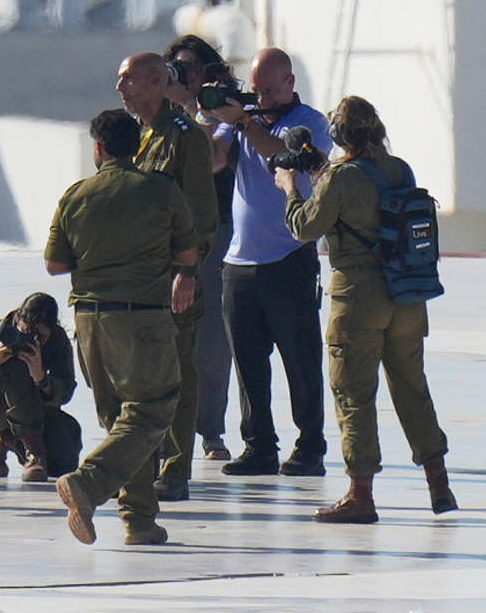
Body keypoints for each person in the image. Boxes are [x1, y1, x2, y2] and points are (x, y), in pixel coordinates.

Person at [280, 94, 453, 524]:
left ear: (340, 135)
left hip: (359, 296)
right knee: (413, 387)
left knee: (354, 393)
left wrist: (290, 189)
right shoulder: (400, 169)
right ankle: (439, 483)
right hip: (407, 295)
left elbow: (306, 227)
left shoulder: (339, 176)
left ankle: (361, 493)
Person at [47, 108, 198, 548]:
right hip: (142, 318)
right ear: (138, 146)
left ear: (98, 148)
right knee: (153, 409)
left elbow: (55, 263)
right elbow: (187, 254)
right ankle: (89, 484)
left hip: (90, 321)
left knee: (122, 421)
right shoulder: (160, 190)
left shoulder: (77, 194)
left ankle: (139, 520)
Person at [205, 46, 332, 477]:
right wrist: (201, 114)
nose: (262, 98)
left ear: (290, 84)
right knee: (249, 363)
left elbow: (284, 158)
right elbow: (213, 159)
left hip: (288, 256)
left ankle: (310, 445)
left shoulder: (309, 122)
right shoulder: (243, 122)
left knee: (300, 359)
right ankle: (259, 445)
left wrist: (243, 119)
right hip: (240, 261)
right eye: (255, 90)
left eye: (270, 90)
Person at [120, 49, 217, 502]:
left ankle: (177, 466)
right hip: (140, 277)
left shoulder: (185, 138)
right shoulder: (138, 135)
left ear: (157, 82)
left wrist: (188, 272)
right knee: (144, 374)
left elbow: (200, 213)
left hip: (173, 277)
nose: (121, 89)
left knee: (178, 371)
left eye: (130, 80)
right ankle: (149, 457)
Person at [166, 38, 238, 462]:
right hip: (167, 231)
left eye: (187, 68)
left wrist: (192, 109)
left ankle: (210, 429)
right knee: (165, 336)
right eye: (173, 67)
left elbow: (212, 158)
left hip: (213, 230)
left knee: (211, 338)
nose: (180, 74)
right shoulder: (158, 116)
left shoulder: (221, 110)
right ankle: (165, 430)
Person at [0, 290, 79, 480]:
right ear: (17, 318)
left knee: (63, 463)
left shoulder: (57, 341)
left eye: (40, 337)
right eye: (26, 333)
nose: (31, 341)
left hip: (34, 408)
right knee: (15, 368)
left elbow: (66, 392)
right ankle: (33, 451)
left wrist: (41, 377)